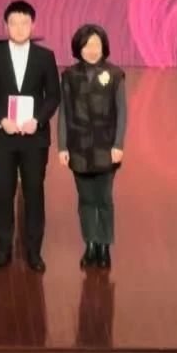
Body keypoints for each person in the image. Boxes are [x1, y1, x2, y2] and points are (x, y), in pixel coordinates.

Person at [0, 0, 61, 272]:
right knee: (3, 193)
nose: (20, 27)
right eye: (14, 23)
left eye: (25, 22)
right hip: (2, 137)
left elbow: (53, 96)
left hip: (35, 137)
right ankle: (3, 251)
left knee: (34, 193)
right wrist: (2, 120)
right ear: (5, 26)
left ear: (33, 25)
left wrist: (38, 120)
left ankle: (34, 252)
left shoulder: (45, 57)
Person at [58, 23, 127, 270]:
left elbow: (122, 112)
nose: (92, 49)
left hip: (106, 148)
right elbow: (64, 112)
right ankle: (90, 244)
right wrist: (62, 147)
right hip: (78, 148)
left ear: (104, 46)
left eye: (96, 44)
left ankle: (104, 245)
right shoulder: (69, 75)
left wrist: (118, 144)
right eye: (86, 45)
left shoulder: (115, 74)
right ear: (79, 48)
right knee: (86, 199)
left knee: (104, 199)